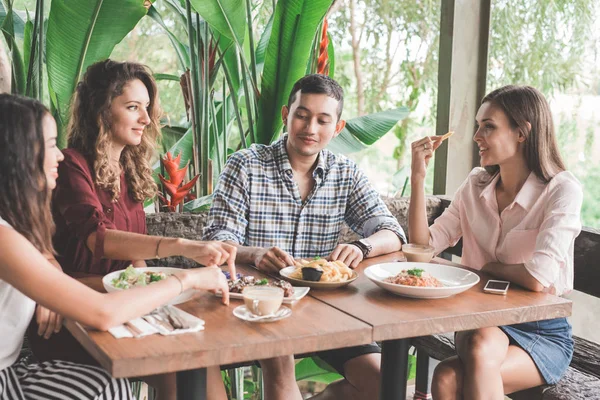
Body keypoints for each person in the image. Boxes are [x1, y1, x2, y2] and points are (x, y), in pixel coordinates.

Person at [0, 94, 235, 399]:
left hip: (11, 372)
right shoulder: (6, 235)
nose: (58, 155)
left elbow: (39, 254)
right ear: (17, 154)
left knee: (111, 385)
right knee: (107, 390)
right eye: (49, 144)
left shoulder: (15, 227)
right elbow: (101, 312)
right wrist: (187, 278)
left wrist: (49, 275)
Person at [204, 74, 407, 400]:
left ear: (337, 128)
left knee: (386, 385)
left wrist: (361, 246)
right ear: (287, 114)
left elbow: (391, 232)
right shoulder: (246, 165)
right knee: (281, 364)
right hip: (262, 302)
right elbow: (218, 240)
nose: (310, 128)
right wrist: (254, 254)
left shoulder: (346, 173)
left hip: (329, 308)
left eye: (323, 120)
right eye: (302, 115)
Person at [408, 85, 581, 399]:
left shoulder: (561, 189)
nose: (477, 136)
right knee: (475, 347)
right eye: (478, 126)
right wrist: (418, 177)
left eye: (488, 127)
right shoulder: (475, 184)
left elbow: (537, 278)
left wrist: (488, 267)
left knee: (448, 379)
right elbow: (423, 247)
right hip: (478, 319)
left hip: (540, 330)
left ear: (522, 132)